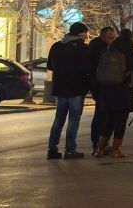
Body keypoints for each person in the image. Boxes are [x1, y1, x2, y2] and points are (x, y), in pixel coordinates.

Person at [94, 29, 133, 158]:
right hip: (125, 91)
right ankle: (116, 150)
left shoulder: (108, 51)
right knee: (121, 122)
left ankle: (100, 149)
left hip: (108, 90)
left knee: (109, 120)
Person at [46, 22, 92, 160]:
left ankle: (52, 149)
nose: (86, 35)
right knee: (73, 119)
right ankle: (70, 149)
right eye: (85, 33)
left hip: (60, 87)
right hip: (76, 88)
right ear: (80, 33)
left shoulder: (56, 46)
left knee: (59, 118)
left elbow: (50, 66)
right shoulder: (83, 48)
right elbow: (87, 68)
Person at [88, 26, 117, 156]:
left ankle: (103, 143)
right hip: (100, 87)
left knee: (106, 117)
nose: (112, 40)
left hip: (106, 86)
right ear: (103, 37)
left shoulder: (106, 47)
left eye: (114, 38)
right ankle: (97, 144)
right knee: (100, 116)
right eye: (110, 38)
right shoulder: (97, 48)